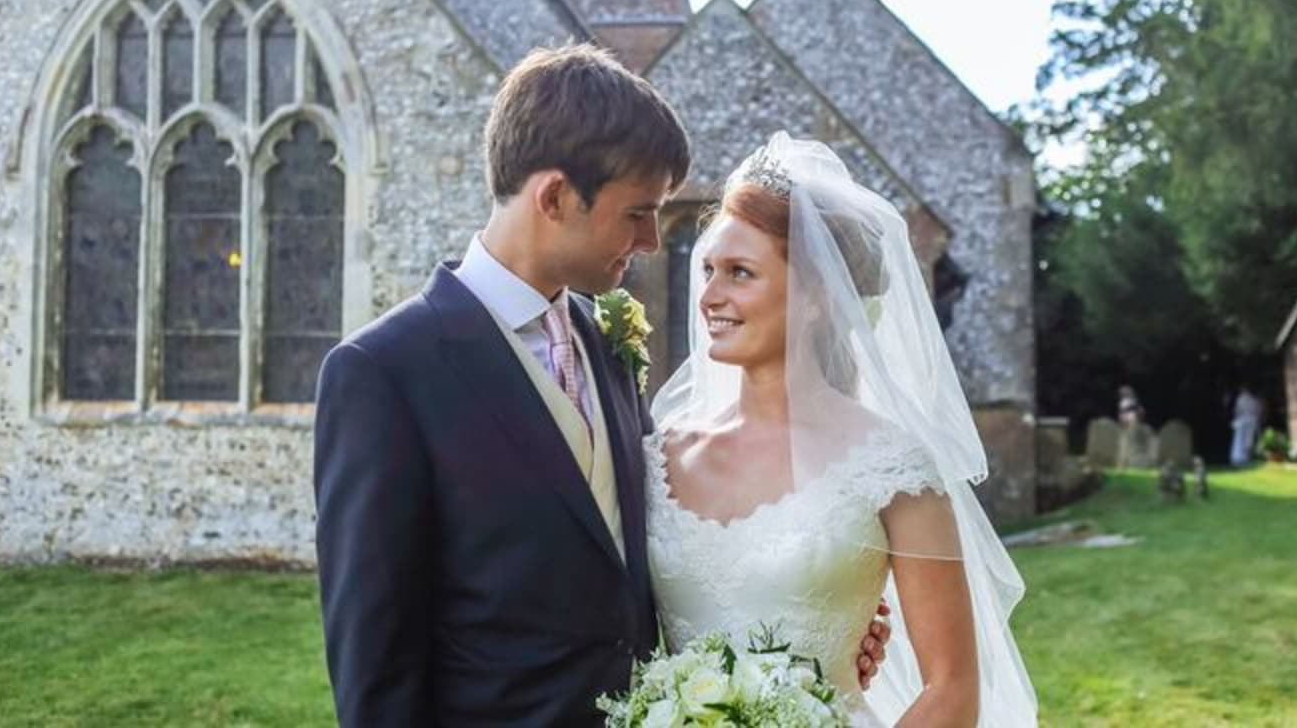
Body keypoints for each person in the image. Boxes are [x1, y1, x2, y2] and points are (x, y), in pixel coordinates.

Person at [313, 48, 889, 726]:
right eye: (637, 213)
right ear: (554, 197)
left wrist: (811, 618)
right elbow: (375, 668)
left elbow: (643, 559)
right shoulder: (384, 374)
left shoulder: (608, 346)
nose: (650, 240)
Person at [648, 133, 1037, 726]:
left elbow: (953, 688)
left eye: (739, 273)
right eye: (707, 270)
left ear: (816, 298)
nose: (710, 297)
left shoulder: (892, 464)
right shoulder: (655, 455)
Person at [1230, 386, 1263, 468]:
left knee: (1240, 441)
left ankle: (1239, 458)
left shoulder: (1240, 399)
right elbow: (1258, 411)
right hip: (1251, 421)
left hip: (1242, 421)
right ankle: (1247, 457)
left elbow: (1237, 411)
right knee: (1248, 440)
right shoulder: (1253, 399)